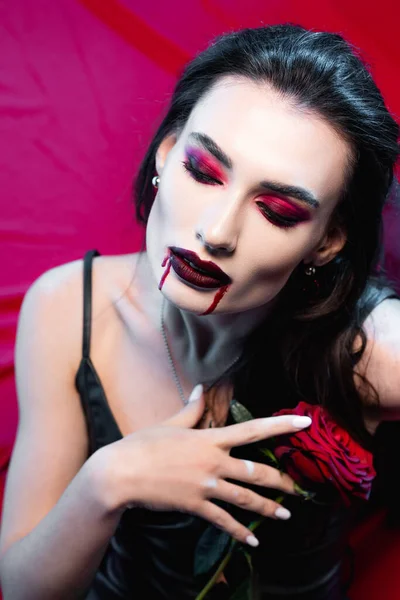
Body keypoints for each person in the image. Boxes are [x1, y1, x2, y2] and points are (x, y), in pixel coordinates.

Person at [0, 23, 399, 600]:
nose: (215, 232)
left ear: (327, 240)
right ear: (167, 152)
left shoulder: (367, 351)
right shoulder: (68, 309)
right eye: (203, 171)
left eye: (279, 211)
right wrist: (106, 482)